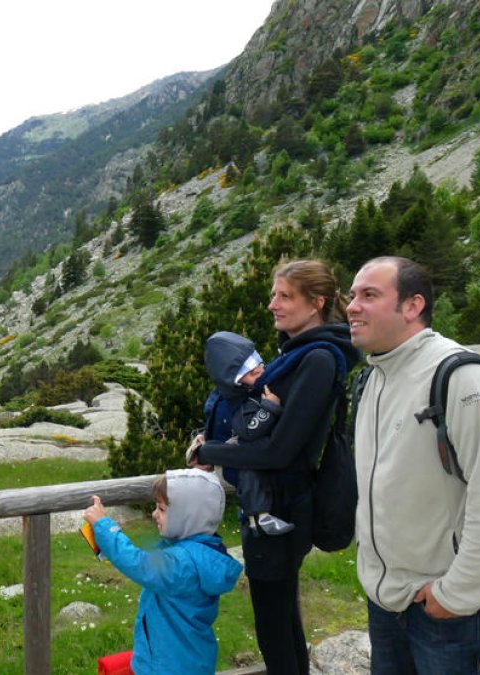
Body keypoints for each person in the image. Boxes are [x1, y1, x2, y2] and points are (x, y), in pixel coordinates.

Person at [346, 256, 480, 674]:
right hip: (388, 601)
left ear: (412, 306)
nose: (352, 306)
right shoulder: (373, 377)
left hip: (451, 615)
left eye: (369, 295)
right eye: (352, 295)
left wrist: (456, 594)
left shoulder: (463, 377)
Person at [192, 259, 360, 674]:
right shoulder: (299, 354)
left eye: (284, 296)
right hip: (277, 506)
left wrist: (208, 452)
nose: (272, 305)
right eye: (273, 294)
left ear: (316, 303)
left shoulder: (318, 359)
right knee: (281, 619)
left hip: (280, 509)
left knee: (274, 627)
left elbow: (278, 452)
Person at [85, 469, 243, 675]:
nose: (154, 514)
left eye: (161, 508)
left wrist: (104, 526)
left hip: (168, 667)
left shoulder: (183, 563)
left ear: (186, 516)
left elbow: (138, 564)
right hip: (185, 661)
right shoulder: (198, 553)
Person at [197, 331, 293, 536]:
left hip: (229, 453)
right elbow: (249, 431)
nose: (260, 373)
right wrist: (269, 407)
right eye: (251, 373)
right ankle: (259, 517)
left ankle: (255, 521)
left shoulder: (235, 394)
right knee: (251, 475)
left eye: (260, 366)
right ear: (236, 380)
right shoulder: (237, 402)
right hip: (234, 457)